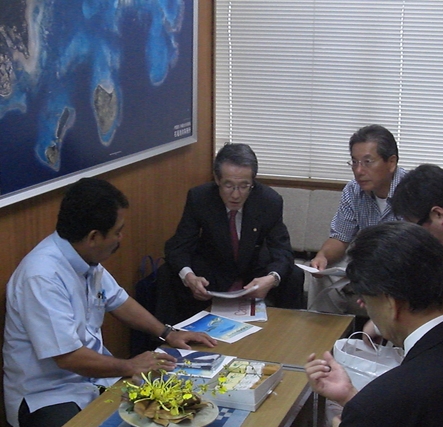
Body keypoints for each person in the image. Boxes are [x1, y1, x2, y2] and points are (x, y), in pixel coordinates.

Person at [2, 178, 217, 427]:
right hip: (49, 394)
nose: (120, 238)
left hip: (94, 380)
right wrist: (130, 365)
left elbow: (119, 301)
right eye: (117, 232)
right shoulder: (41, 276)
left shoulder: (85, 258)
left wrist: (168, 333)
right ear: (94, 236)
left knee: (178, 408)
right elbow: (68, 357)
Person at [305, 221, 443, 427]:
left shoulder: (384, 399)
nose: (367, 309)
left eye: (366, 300)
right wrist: (350, 396)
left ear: (391, 305)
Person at [155, 143, 305, 326]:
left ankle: (288, 333)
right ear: (217, 179)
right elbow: (178, 247)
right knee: (167, 273)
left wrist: (271, 279)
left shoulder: (269, 201)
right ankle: (168, 336)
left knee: (293, 275)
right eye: (228, 185)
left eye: (244, 186)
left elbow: (282, 250)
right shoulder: (199, 198)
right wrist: (190, 277)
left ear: (253, 182)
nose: (236, 195)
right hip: (213, 270)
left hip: (254, 271)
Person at [308, 124, 406, 314]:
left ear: (391, 162)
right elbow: (340, 237)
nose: (359, 170)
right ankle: (325, 330)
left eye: (367, 162)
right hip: (368, 264)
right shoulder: (353, 190)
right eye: (354, 162)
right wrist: (322, 256)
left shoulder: (411, 189)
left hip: (401, 266)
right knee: (323, 273)